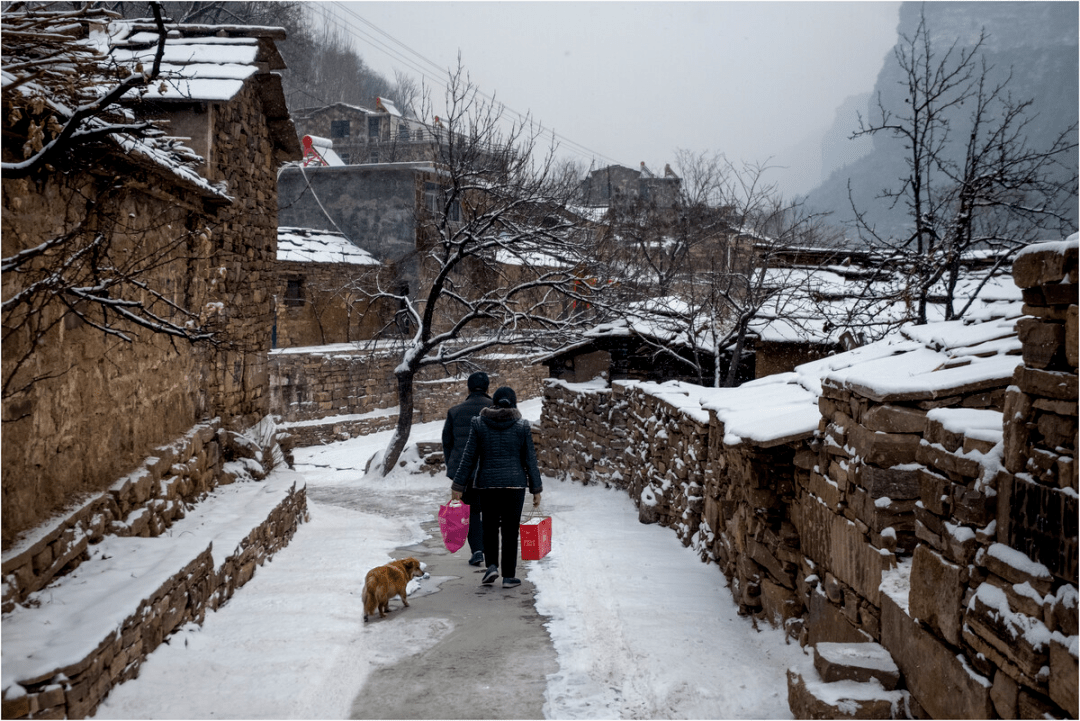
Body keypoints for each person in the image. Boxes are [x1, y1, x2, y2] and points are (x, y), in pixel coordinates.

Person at [451, 386, 542, 588]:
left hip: (487, 485)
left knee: (489, 527)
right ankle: (509, 576)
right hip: (514, 486)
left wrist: (458, 485)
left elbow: (469, 457)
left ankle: (491, 566)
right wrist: (536, 489)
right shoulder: (522, 426)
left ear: (494, 402)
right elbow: (530, 460)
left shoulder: (479, 424)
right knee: (510, 531)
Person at [442, 371, 492, 566]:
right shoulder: (495, 408)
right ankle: (488, 547)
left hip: (466, 473)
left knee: (471, 512)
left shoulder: (455, 411)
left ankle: (477, 550)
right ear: (487, 388)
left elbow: (448, 442)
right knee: (490, 511)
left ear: (468, 388)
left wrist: (453, 468)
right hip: (490, 471)